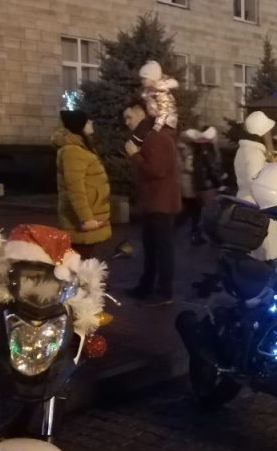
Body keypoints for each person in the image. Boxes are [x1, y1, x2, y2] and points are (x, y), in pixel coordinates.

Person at [124, 99, 181, 305]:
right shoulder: (151, 136)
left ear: (142, 114)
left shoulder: (155, 137)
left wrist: (135, 155)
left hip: (160, 203)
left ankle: (164, 292)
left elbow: (158, 170)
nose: (127, 122)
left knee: (161, 249)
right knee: (151, 247)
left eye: (129, 117)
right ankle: (146, 286)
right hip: (154, 202)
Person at [53, 109, 111, 259]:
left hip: (90, 215)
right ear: (80, 125)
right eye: (87, 120)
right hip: (81, 220)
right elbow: (75, 189)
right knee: (78, 261)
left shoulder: (79, 147)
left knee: (83, 259)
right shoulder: (72, 151)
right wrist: (86, 219)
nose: (91, 122)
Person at [235, 111, 277, 261]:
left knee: (256, 250)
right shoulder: (254, 154)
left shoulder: (244, 150)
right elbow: (257, 183)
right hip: (257, 207)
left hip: (247, 202)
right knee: (271, 251)